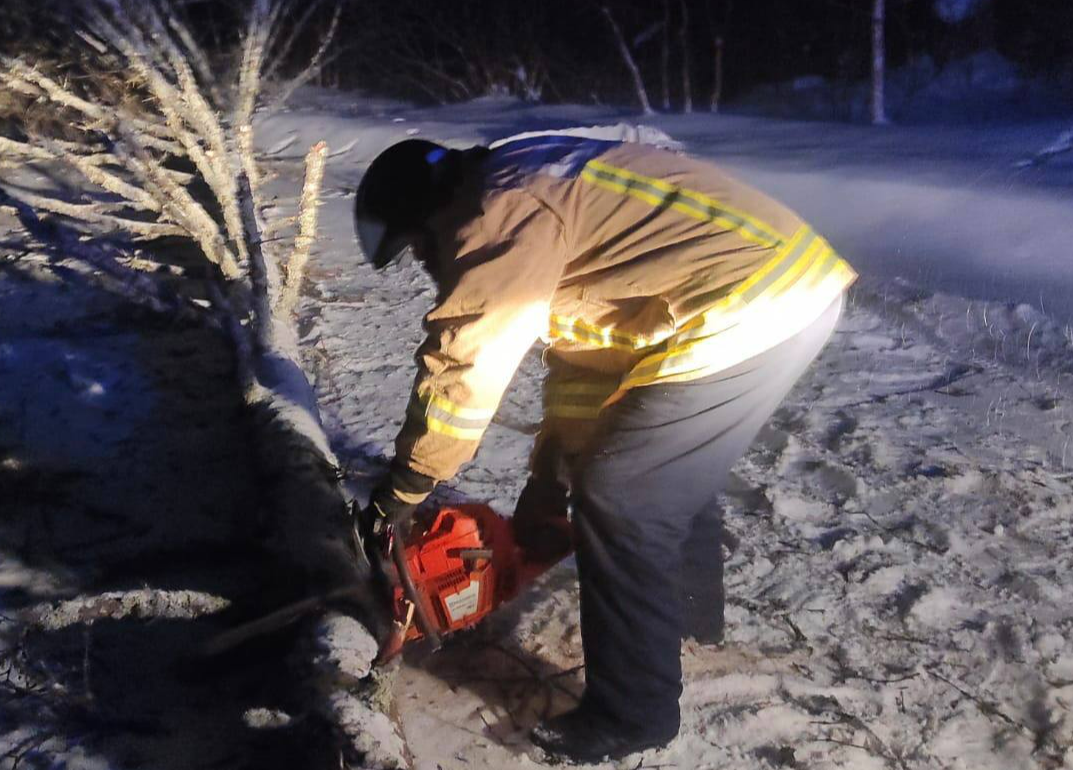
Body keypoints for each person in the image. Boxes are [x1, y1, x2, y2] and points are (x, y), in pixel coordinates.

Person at [355, 126, 855, 763]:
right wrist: (545, 481)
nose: (427, 266)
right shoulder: (516, 183)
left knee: (622, 497)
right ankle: (689, 622)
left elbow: (463, 368)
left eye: (418, 251)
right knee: (658, 469)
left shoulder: (492, 219)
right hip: (780, 284)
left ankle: (633, 714)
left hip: (750, 301)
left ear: (427, 219)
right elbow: (584, 361)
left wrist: (405, 488)